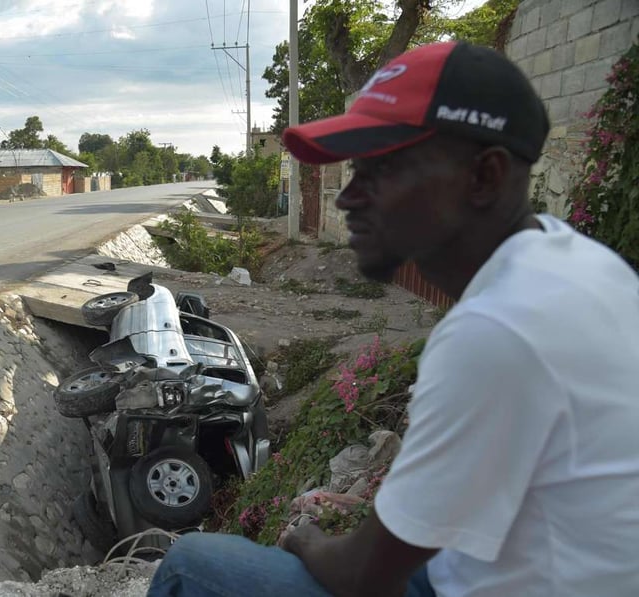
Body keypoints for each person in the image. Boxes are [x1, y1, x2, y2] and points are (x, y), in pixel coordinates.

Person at [148, 41, 639, 597]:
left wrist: (306, 539)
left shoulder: (494, 333)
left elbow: (363, 576)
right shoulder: (583, 265)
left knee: (193, 566)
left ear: (484, 176)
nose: (348, 198)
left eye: (382, 168)